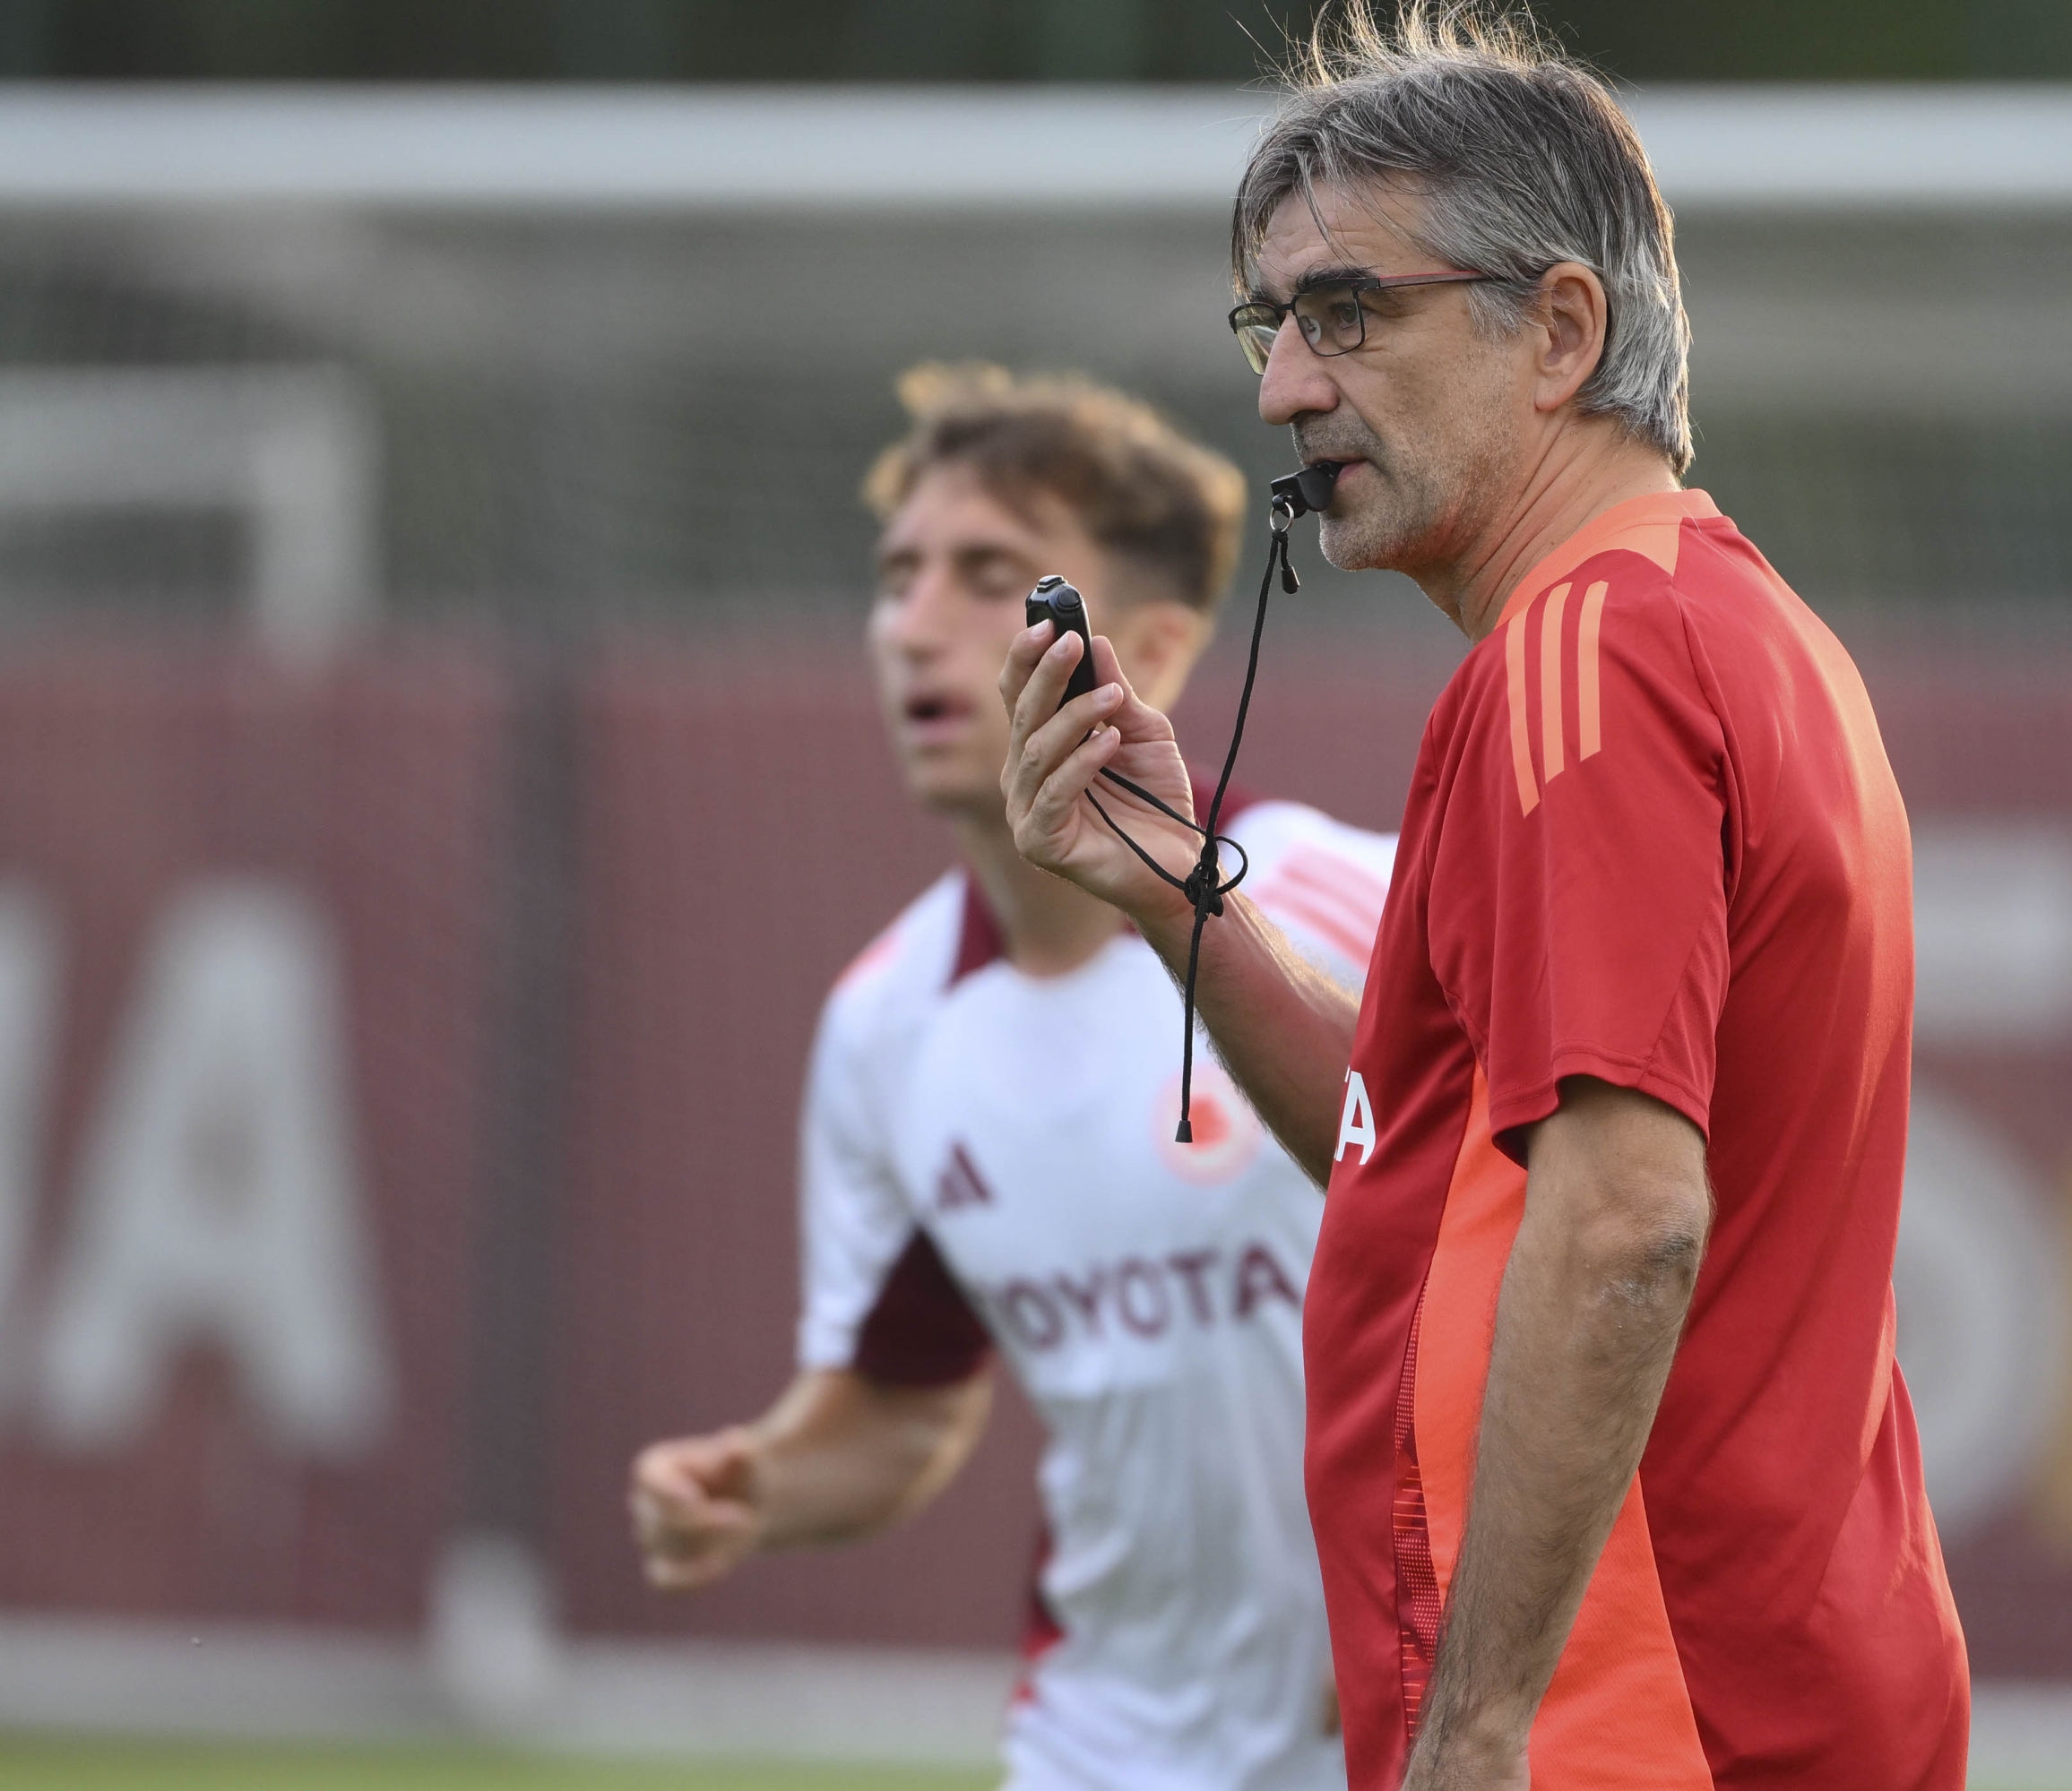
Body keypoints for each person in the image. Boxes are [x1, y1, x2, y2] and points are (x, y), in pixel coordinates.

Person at [997, 9, 1969, 1789]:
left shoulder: (1594, 651)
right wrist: (1176, 895)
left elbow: (1621, 1220)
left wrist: (1480, 1718)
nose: (1286, 386)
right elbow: (1436, 1160)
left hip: (1646, 1719)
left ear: (1561, 332)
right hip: (1748, 1690)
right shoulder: (1719, 624)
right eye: (1272, 324)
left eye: (1349, 310)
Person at [628, 364, 1395, 1791]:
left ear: (1153, 649)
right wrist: (757, 1485)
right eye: (896, 574)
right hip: (1102, 1747)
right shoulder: (887, 1024)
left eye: (990, 577)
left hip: (1424, 1741)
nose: (913, 627)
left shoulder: (1358, 899)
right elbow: (902, 1405)